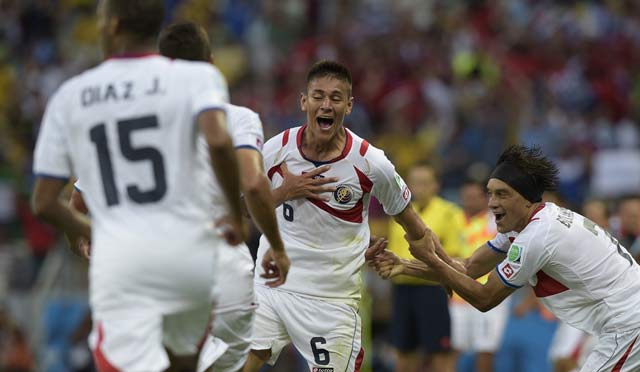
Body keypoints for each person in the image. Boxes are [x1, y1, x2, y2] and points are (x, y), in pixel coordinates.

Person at [31, 1, 246, 371]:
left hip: (125, 262)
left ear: (112, 25)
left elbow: (45, 202)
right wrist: (233, 214)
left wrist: (88, 232)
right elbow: (218, 140)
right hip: (188, 256)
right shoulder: (197, 78)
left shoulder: (74, 94)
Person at [243, 60, 458, 372]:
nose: (326, 104)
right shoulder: (276, 150)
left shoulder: (371, 163)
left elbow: (414, 226)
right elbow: (241, 210)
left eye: (335, 97)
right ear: (304, 101)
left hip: (332, 299)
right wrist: (283, 193)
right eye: (318, 96)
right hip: (273, 285)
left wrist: (446, 269)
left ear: (349, 105)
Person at [370, 145, 640, 372]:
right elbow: (471, 268)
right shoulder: (524, 224)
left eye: (502, 194)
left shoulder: (538, 235)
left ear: (525, 199)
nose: (491, 202)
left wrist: (431, 256)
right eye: (490, 192)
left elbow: (485, 298)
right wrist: (406, 265)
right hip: (621, 320)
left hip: (629, 321)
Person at [386, 164, 463, 372]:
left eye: (424, 183)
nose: (418, 188)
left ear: (435, 185)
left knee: (439, 353)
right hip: (402, 290)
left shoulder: (449, 212)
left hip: (432, 290)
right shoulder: (397, 214)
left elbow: (455, 257)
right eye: (414, 183)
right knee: (403, 352)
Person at [450, 179, 508, 372]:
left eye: (474, 197)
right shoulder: (454, 219)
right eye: (466, 197)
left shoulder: (495, 221)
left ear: (485, 199)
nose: (469, 202)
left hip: (490, 292)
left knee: (485, 349)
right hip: (458, 296)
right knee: (451, 349)